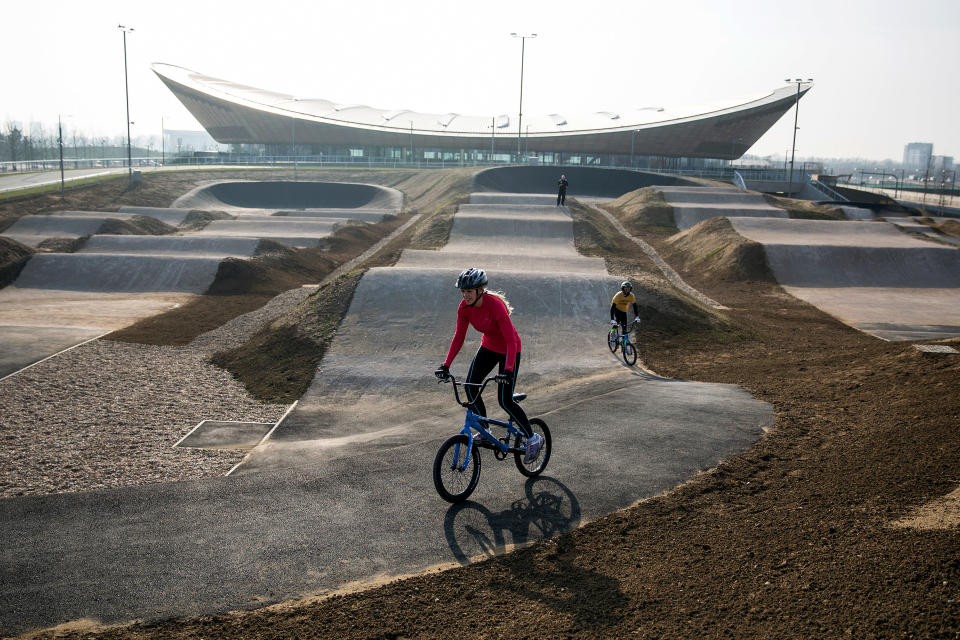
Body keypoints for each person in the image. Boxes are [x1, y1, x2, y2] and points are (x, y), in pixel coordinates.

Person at [435, 267, 543, 463]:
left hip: (510, 350)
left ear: (480, 291)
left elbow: (510, 340)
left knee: (505, 399)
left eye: (469, 291)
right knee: (470, 386)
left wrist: (508, 370)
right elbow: (459, 337)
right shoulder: (464, 308)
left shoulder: (495, 305)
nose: (465, 295)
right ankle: (485, 431)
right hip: (489, 347)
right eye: (463, 291)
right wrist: (446, 365)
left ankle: (532, 437)